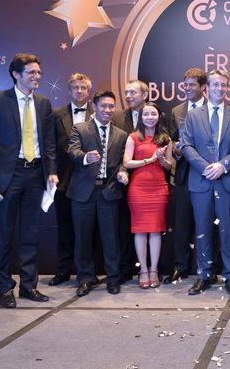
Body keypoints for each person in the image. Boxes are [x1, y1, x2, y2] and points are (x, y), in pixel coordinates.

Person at [0, 53, 58, 308]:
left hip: (35, 174)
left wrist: (51, 171)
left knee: (30, 233)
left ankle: (28, 286)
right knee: (4, 233)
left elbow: (49, 142)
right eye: (31, 72)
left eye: (39, 72)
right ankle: (5, 288)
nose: (37, 76)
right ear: (16, 74)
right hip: (7, 175)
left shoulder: (43, 103)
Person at [181, 70, 230, 295]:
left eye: (224, 85)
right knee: (202, 230)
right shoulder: (193, 115)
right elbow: (186, 145)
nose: (220, 88)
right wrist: (205, 167)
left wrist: (223, 165)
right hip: (201, 181)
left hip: (227, 180)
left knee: (228, 231)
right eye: (216, 85)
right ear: (206, 88)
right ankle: (204, 275)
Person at [67, 90, 130, 297]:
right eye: (104, 106)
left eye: (111, 106)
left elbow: (122, 161)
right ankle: (85, 279)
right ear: (94, 107)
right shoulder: (80, 129)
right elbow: (72, 152)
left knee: (111, 239)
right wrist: (86, 158)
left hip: (108, 193)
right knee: (82, 238)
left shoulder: (121, 135)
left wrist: (122, 172)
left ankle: (113, 279)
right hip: (83, 193)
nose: (108, 110)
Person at [49, 73, 94, 286]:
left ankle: (90, 272)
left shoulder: (99, 113)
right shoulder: (57, 114)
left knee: (89, 230)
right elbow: (50, 147)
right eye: (76, 87)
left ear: (89, 91)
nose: (79, 91)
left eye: (83, 88)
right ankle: (63, 271)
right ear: (69, 90)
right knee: (65, 228)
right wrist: (52, 172)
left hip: (90, 180)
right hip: (64, 180)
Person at [123, 102, 174, 288]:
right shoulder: (133, 137)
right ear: (141, 117)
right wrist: (149, 160)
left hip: (159, 188)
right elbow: (127, 163)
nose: (150, 117)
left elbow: (169, 166)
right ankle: (143, 270)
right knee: (140, 230)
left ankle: (154, 270)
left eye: (153, 114)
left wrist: (161, 160)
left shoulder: (165, 139)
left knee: (155, 230)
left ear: (159, 116)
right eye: (146, 114)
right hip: (138, 188)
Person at [164, 69, 207, 283]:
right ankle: (180, 266)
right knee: (181, 224)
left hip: (206, 174)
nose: (188, 88)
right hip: (183, 174)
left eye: (192, 85)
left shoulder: (212, 108)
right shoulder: (176, 111)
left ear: (203, 87)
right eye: (186, 84)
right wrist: (177, 150)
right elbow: (172, 140)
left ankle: (206, 267)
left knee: (205, 223)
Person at [112, 80, 149, 284]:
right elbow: (113, 149)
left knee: (149, 226)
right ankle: (125, 268)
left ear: (145, 95)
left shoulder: (155, 115)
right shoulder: (117, 117)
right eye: (126, 92)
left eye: (133, 92)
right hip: (123, 179)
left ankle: (149, 268)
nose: (128, 96)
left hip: (148, 181)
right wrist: (121, 170)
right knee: (124, 225)